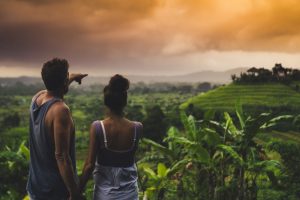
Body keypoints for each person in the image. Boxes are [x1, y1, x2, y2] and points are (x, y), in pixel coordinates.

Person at [26, 58, 87, 200]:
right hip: (55, 191)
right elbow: (61, 156)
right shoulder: (60, 111)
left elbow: (55, 88)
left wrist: (72, 77)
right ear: (64, 82)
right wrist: (74, 192)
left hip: (37, 186)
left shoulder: (37, 98)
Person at [79, 74, 143, 200]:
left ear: (106, 102)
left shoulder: (98, 128)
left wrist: (77, 190)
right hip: (131, 194)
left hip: (104, 195)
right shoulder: (137, 128)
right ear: (124, 101)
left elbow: (89, 165)